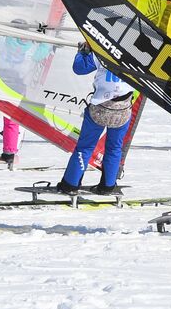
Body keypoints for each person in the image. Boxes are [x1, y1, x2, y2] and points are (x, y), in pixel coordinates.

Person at [55, 43, 135, 195]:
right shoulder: (138, 59)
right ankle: (107, 186)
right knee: (114, 148)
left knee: (85, 147)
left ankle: (70, 185)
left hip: (99, 109)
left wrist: (83, 52)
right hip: (123, 110)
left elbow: (79, 68)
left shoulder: (102, 51)